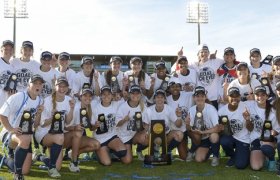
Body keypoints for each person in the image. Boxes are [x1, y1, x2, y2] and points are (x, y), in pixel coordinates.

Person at [0, 74, 44, 180]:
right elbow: (2, 114)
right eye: (35, 83)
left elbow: (36, 125)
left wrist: (38, 114)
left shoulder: (40, 100)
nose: (37, 86)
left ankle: (4, 159)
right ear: (29, 84)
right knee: (25, 138)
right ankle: (17, 174)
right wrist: (11, 129)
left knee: (26, 170)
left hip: (25, 138)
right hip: (9, 133)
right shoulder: (18, 96)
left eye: (40, 84)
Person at [34, 76, 75, 178]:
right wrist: (52, 118)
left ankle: (40, 157)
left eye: (64, 86)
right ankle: (51, 168)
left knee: (59, 167)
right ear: (55, 87)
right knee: (59, 137)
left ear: (67, 87)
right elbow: (42, 124)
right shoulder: (47, 100)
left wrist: (72, 109)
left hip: (58, 134)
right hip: (44, 133)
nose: (62, 89)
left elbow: (68, 121)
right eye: (59, 86)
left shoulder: (69, 100)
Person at [91, 85, 128, 165]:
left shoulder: (116, 104)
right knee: (107, 163)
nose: (106, 96)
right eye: (104, 94)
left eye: (108, 94)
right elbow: (91, 128)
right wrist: (95, 126)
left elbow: (126, 99)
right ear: (100, 96)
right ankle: (98, 152)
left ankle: (110, 150)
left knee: (123, 153)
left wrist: (124, 86)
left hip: (112, 136)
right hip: (100, 138)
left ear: (112, 95)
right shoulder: (95, 108)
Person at [66, 88, 100, 171]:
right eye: (85, 95)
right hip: (66, 137)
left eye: (90, 96)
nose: (88, 97)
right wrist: (75, 127)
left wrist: (95, 126)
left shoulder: (90, 108)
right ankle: (74, 162)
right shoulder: (75, 107)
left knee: (96, 145)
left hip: (78, 136)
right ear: (80, 97)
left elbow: (91, 128)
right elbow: (65, 126)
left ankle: (74, 153)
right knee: (78, 133)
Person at [246, 86, 279, 171]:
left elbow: (277, 130)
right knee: (256, 167)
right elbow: (249, 129)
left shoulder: (273, 110)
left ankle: (271, 159)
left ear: (267, 96)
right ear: (254, 96)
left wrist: (273, 132)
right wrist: (247, 120)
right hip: (255, 138)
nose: (260, 97)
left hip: (269, 140)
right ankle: (264, 157)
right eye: (257, 95)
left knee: (266, 147)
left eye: (263, 95)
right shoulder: (249, 106)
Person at [143, 89, 184, 156]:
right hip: (154, 136)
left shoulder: (168, 109)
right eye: (157, 97)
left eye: (162, 97)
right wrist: (147, 133)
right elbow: (146, 125)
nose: (160, 99)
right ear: (154, 99)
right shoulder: (149, 110)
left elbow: (178, 125)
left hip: (166, 135)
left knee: (179, 134)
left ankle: (167, 151)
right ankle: (154, 149)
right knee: (154, 138)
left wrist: (179, 117)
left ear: (164, 99)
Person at [186, 86, 220, 167]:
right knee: (199, 159)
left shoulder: (211, 109)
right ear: (194, 98)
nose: (200, 98)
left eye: (202, 96)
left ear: (205, 97)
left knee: (214, 136)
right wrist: (187, 124)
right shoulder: (191, 110)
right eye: (197, 96)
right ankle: (208, 150)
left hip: (210, 135)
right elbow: (188, 129)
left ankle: (216, 156)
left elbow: (217, 128)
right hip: (200, 138)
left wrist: (204, 132)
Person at [219, 87, 252, 169]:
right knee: (224, 141)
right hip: (231, 137)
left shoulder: (246, 107)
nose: (234, 99)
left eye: (236, 96)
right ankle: (233, 156)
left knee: (240, 165)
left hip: (243, 139)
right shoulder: (222, 111)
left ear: (240, 96)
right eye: (231, 96)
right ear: (227, 97)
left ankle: (246, 152)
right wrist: (221, 129)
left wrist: (247, 120)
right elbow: (220, 131)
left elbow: (251, 129)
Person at [116, 85, 147, 162]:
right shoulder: (123, 106)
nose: (135, 95)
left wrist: (143, 129)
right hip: (123, 136)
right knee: (127, 161)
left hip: (134, 135)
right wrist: (124, 120)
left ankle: (139, 150)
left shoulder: (143, 106)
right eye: (133, 93)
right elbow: (117, 124)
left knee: (147, 138)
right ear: (129, 95)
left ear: (140, 94)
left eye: (137, 93)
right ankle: (114, 151)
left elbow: (147, 123)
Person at [166, 78, 193, 160]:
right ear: (169, 89)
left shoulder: (188, 95)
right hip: (173, 130)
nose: (175, 88)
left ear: (181, 87)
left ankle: (192, 150)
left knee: (184, 157)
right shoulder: (167, 99)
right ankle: (168, 150)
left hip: (185, 129)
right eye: (172, 86)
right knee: (178, 135)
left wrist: (191, 89)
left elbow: (202, 94)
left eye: (177, 86)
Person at [190, 44, 223, 110]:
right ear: (198, 54)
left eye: (206, 52)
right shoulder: (194, 64)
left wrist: (215, 57)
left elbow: (230, 62)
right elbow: (179, 67)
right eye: (201, 52)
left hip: (214, 98)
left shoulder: (215, 61)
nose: (204, 53)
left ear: (209, 53)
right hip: (200, 98)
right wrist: (179, 56)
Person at [0, 40, 15, 108]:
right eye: (6, 49)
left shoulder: (12, 67)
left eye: (10, 49)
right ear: (1, 50)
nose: (8, 51)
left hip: (4, 98)